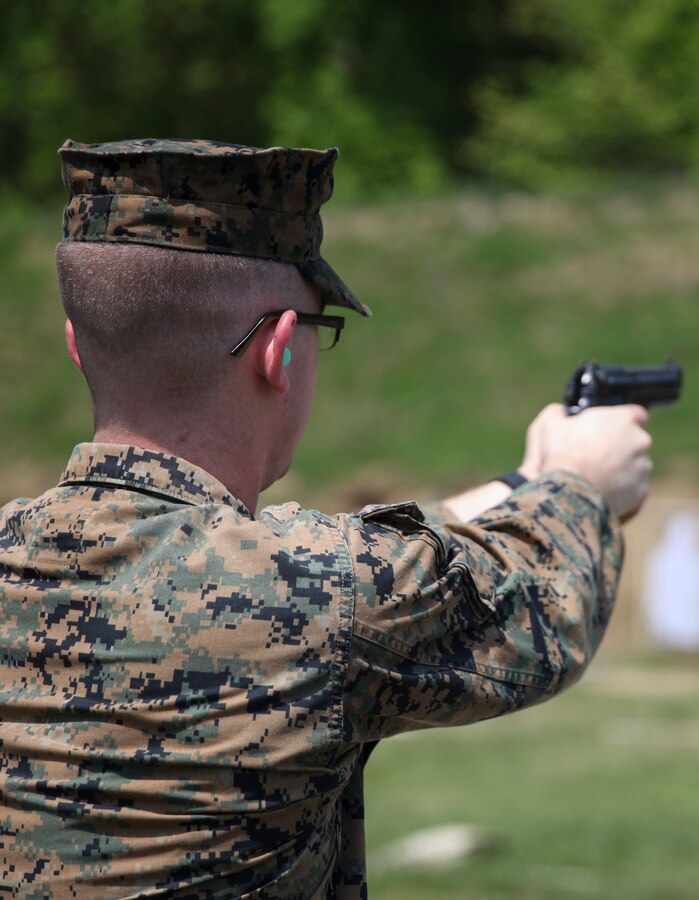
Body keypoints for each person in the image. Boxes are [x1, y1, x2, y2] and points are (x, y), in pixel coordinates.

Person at [0, 139, 651, 899]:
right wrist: (581, 483)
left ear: (78, 346)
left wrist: (519, 484)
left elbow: (320, 568)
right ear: (278, 350)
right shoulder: (332, 593)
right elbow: (544, 604)